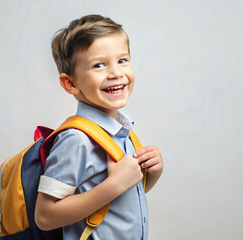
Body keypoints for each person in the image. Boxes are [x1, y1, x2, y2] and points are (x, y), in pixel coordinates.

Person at [34, 14, 163, 239]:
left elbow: (119, 199)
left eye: (122, 60)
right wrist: (113, 185)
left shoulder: (122, 132)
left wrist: (151, 174)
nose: (115, 73)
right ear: (71, 83)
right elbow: (45, 216)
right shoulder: (76, 140)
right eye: (99, 65)